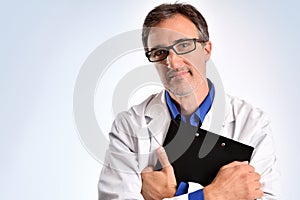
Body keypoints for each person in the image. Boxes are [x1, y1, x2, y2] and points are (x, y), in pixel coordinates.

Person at [98, 3, 279, 200]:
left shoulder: (252, 124)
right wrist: (212, 195)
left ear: (207, 49)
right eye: (159, 52)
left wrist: (176, 195)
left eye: (183, 45)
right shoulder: (129, 126)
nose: (173, 63)